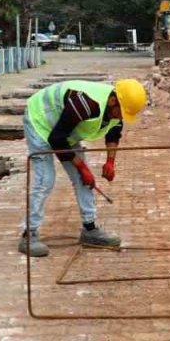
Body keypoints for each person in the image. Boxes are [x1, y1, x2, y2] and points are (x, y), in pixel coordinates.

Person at [19, 79, 148, 257]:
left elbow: (113, 132)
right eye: (120, 113)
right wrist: (82, 168)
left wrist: (110, 162)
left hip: (65, 130)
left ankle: (90, 229)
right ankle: (29, 233)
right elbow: (57, 140)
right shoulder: (85, 103)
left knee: (83, 180)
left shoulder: (118, 105)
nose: (120, 118)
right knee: (45, 180)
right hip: (40, 121)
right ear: (112, 102)